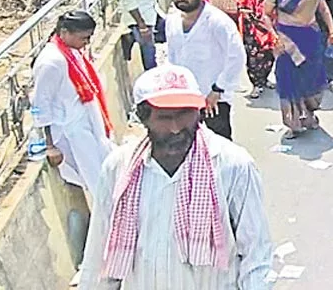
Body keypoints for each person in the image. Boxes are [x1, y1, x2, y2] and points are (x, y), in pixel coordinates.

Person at [78, 64, 273, 289]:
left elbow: (256, 256)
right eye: (164, 117)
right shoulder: (118, 169)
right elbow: (99, 256)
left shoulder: (234, 166)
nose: (175, 128)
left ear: (198, 113)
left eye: (184, 115)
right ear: (144, 118)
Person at [31, 11, 113, 198]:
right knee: (97, 183)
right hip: (70, 131)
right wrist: (50, 146)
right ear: (65, 33)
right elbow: (41, 104)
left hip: (86, 121)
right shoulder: (52, 62)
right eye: (83, 38)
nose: (87, 43)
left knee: (107, 173)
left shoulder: (71, 53)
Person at [165, 0, 246, 140]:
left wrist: (218, 89)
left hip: (215, 99)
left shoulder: (217, 21)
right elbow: (172, 58)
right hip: (186, 98)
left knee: (219, 147)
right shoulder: (171, 21)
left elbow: (237, 56)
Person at [263, 0, 333, 139]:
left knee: (311, 78)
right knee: (288, 80)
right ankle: (293, 123)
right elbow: (266, 15)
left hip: (309, 38)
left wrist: (332, 31)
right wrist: (274, 36)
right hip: (286, 40)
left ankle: (310, 114)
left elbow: (324, 10)